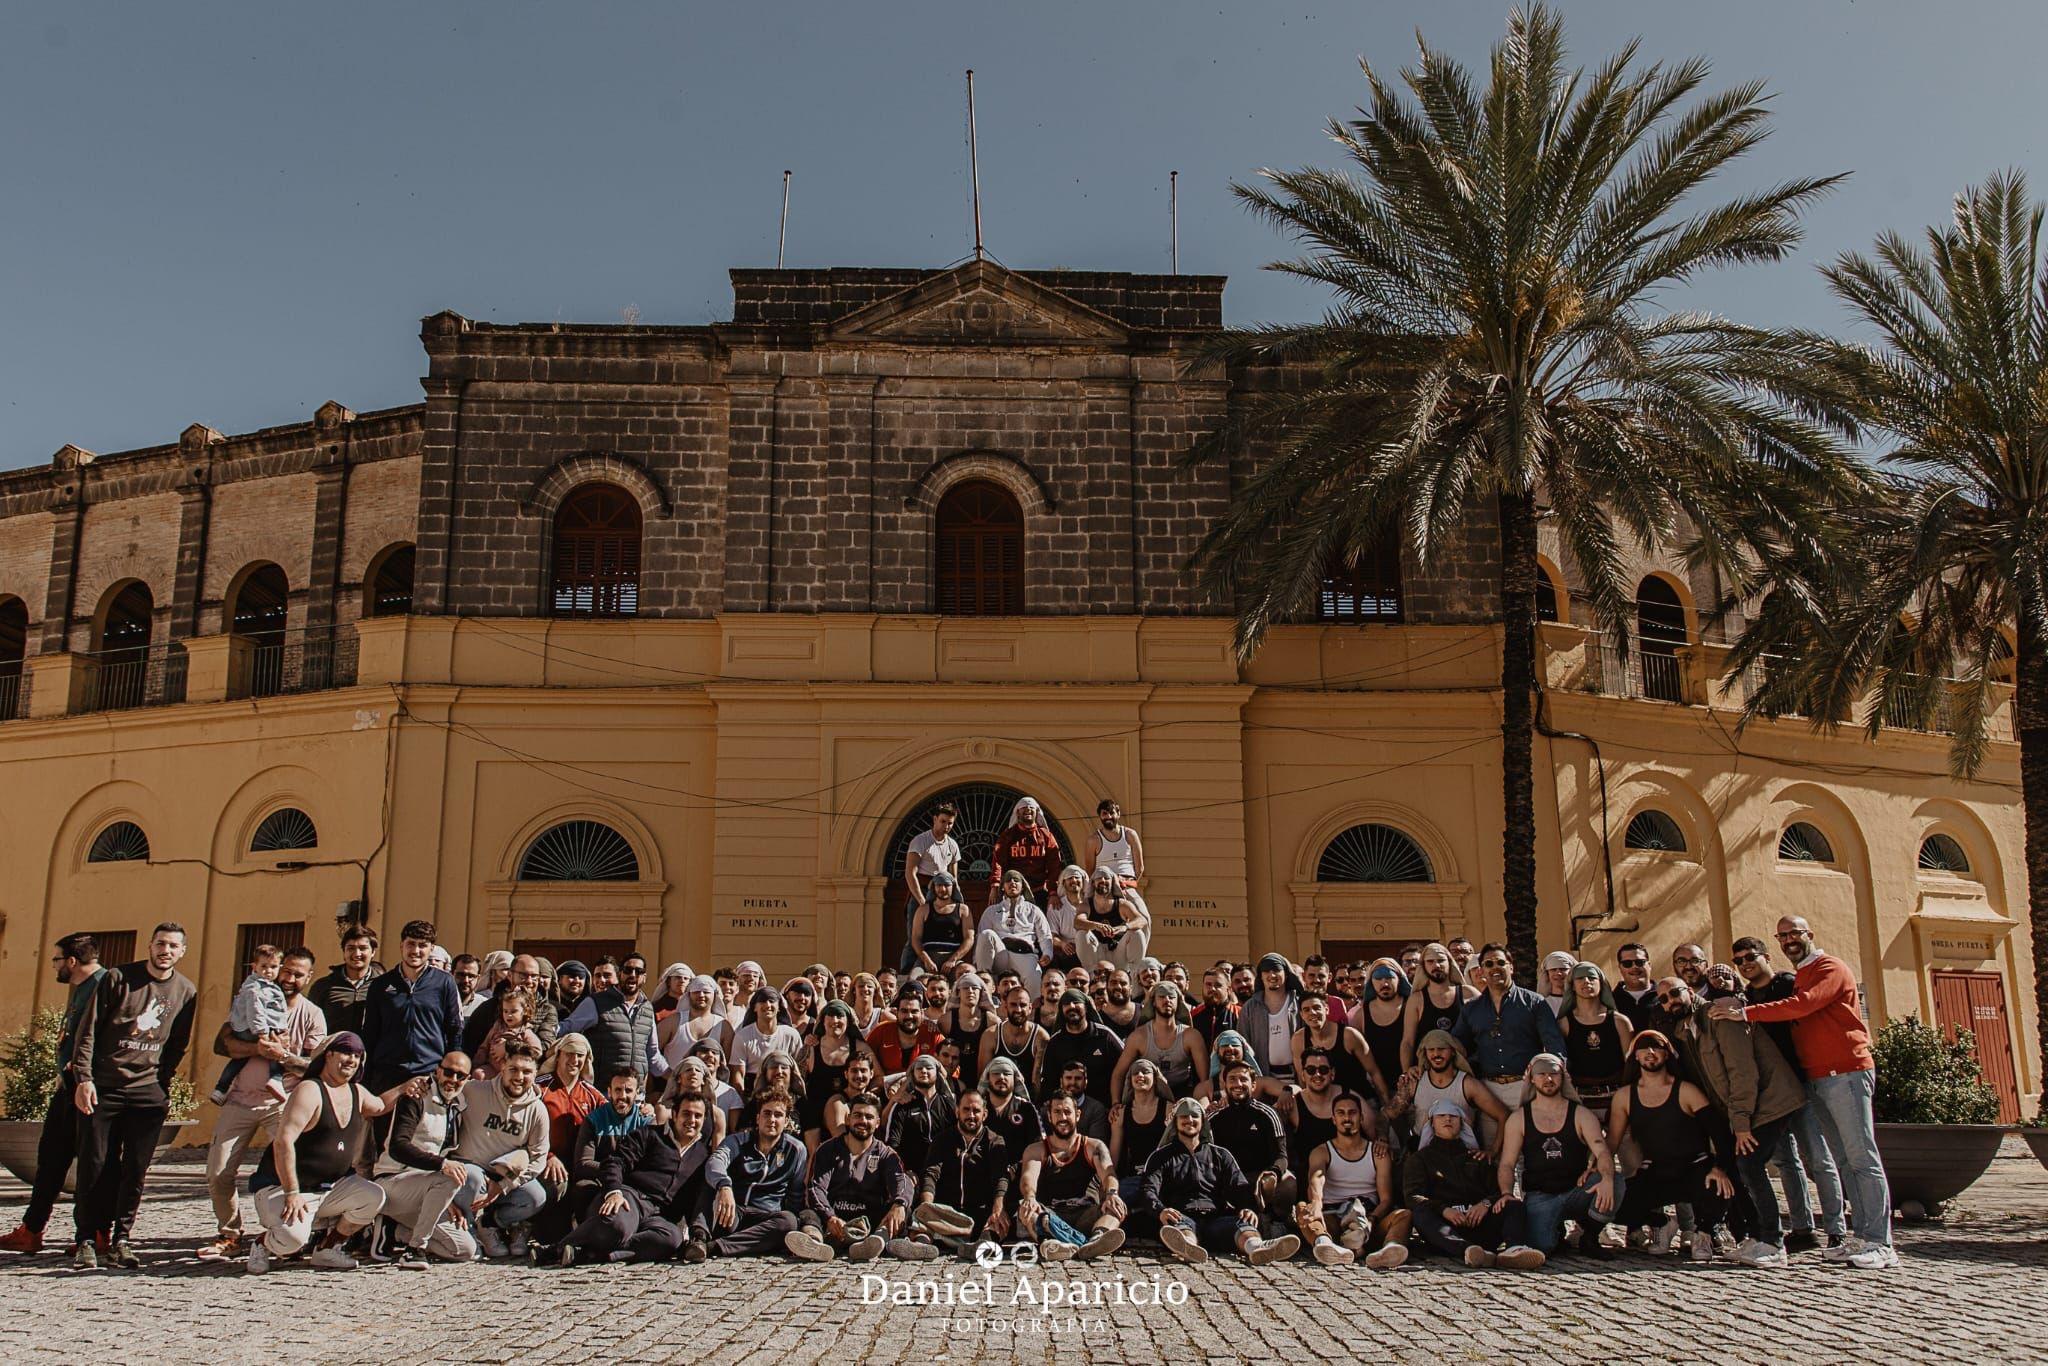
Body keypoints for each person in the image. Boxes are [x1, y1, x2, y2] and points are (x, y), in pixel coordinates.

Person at [1710, 915, 1894, 1268]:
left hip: (1846, 1071)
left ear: (1809, 934)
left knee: (1861, 1158)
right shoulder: (1803, 973)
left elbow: (1804, 1004)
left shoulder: (1829, 967)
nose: (1789, 940)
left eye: (1794, 933)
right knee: (1842, 1160)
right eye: (1782, 936)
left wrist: (1745, 1013)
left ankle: (1880, 1240)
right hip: (1816, 1077)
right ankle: (1860, 1238)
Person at [66, 923, 198, 1270]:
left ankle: (122, 1238)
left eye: (172, 945)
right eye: (160, 944)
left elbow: (177, 1043)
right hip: (104, 1087)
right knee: (93, 1164)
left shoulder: (186, 991)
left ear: (182, 951)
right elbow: (88, 1030)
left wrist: (162, 1085)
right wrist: (84, 1079)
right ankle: (86, 1238)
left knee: (136, 1169)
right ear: (150, 946)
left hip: (147, 1092)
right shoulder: (117, 978)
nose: (165, 950)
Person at [1658, 975, 1808, 1267]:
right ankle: (1755, 1235)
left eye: (1675, 993)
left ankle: (1773, 1241)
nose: (1670, 1001)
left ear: (1689, 991)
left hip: (1769, 1102)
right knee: (1740, 1167)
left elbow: (1743, 1073)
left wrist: (1740, 1123)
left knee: (1750, 1164)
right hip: (1743, 1109)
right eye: (1663, 999)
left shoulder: (1719, 1016)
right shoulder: (1684, 1031)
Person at [197, 945, 327, 1262]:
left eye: (298, 973)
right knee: (218, 1172)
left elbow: (316, 1065)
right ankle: (229, 1234)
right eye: (286, 970)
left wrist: (281, 1056)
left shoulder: (312, 1014)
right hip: (240, 1100)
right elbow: (222, 1043)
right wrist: (258, 1048)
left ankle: (289, 1234)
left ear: (308, 977)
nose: (289, 978)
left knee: (295, 1171)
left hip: (284, 1103)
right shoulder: (252, 996)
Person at [245, 1033, 414, 1272]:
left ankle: (328, 1248)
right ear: (328, 1055)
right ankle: (262, 1244)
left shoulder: (356, 1092)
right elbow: (283, 1141)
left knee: (373, 1196)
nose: (352, 1060)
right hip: (283, 1189)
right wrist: (292, 1192)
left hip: (330, 1188)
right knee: (292, 1241)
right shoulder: (310, 1090)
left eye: (357, 1055)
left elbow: (379, 1105)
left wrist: (405, 1088)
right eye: (346, 1052)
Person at [1733, 934, 1846, 1252]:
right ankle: (1803, 1227)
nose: (1745, 963)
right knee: (1786, 1161)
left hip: (1801, 1083)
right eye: (1739, 960)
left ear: (1766, 956)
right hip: (1771, 1094)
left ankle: (1836, 1228)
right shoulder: (1745, 997)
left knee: (1818, 1158)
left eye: (1750, 956)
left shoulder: (1788, 984)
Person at [0, 933, 106, 1256]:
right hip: (68, 1086)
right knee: (50, 1158)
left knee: (93, 1163)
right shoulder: (81, 989)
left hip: (90, 1089)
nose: (55, 967)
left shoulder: (105, 986)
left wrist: (86, 1076)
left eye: (57, 960)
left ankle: (95, 1233)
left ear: (72, 962)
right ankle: (32, 1229)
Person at [1608, 1030, 1735, 1263]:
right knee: (1611, 1204)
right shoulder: (1625, 1096)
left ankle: (1703, 1233)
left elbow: (1719, 1132)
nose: (1650, 1053)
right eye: (1644, 1048)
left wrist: (1720, 1168)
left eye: (1656, 1047)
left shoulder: (1686, 1090)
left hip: (1695, 1168)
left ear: (1667, 1055)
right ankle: (1663, 1224)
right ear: (1635, 1056)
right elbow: (1612, 1142)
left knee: (1720, 1186)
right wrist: (1600, 1173)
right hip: (1657, 1170)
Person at [358, 919, 464, 1174]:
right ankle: (383, 1197)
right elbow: (370, 1035)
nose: (416, 951)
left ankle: (416, 1196)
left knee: (422, 1139)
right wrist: (367, 1081)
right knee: (385, 1143)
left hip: (427, 1075)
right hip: (388, 1076)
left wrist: (449, 1070)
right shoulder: (381, 985)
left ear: (431, 949)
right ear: (402, 946)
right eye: (411, 945)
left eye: (423, 946)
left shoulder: (444, 983)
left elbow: (454, 1029)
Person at [1141, 1097, 1299, 1265]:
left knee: (1243, 1225)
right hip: (1181, 1216)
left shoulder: (1221, 1155)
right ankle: (1187, 1248)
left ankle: (1258, 1248)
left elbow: (1239, 1187)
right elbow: (1147, 1189)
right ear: (1175, 1122)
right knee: (1180, 1229)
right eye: (1184, 1117)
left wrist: (1247, 1208)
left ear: (1203, 1121)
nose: (1190, 1120)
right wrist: (1160, 1211)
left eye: (1194, 1116)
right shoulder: (1160, 1157)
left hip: (1216, 1219)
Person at [1494, 1054, 1619, 1258]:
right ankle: (1556, 1231)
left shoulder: (1580, 1114)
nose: (1548, 1079)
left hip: (1576, 1190)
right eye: (1541, 1074)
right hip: (1540, 1195)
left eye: (1553, 1074)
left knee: (1616, 1182)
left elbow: (1602, 1151)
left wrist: (1607, 1177)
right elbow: (1507, 1163)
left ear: (1563, 1077)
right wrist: (1507, 1193)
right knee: (1541, 1246)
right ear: (1531, 1079)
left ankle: (1590, 1235)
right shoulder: (1518, 1119)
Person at [785, 1091, 932, 1262]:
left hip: (870, 1220)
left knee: (900, 1208)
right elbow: (816, 1188)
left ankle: (875, 1243)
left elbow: (901, 1182)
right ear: (848, 1119)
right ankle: (814, 1243)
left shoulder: (885, 1154)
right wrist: (830, 1216)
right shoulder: (827, 1150)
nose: (863, 1121)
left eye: (869, 1117)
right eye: (857, 1115)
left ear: (877, 1123)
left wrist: (899, 1204)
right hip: (833, 1221)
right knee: (808, 1214)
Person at [443, 1039, 551, 1259]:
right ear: (502, 1067)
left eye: (527, 1071)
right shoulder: (474, 1090)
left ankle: (491, 1224)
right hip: (471, 1170)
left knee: (536, 1196)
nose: (519, 1077)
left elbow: (539, 1158)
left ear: (535, 1073)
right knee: (470, 1177)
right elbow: (443, 1090)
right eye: (513, 1069)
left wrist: (503, 1185)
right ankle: (468, 1228)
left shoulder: (537, 1110)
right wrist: (419, 1084)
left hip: (503, 1176)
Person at [1453, 944, 1567, 1146]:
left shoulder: (1535, 1003)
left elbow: (1554, 1045)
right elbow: (1457, 1046)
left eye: (1500, 962)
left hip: (1527, 1089)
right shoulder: (1471, 1009)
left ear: (1511, 967)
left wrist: (1552, 1078)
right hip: (1488, 1091)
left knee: (1532, 1149)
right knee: (1493, 1153)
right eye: (1489, 964)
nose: (1495, 967)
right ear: (1481, 971)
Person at [1403, 1101, 1540, 1268]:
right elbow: (1413, 1196)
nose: (1448, 1119)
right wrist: (1444, 1210)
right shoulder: (1419, 1159)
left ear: (1461, 1123)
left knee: (1512, 1203)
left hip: (1480, 1224)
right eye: (1442, 1116)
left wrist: (1485, 1204)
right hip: (1447, 1229)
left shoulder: (1477, 1158)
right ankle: (1469, 1251)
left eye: (1453, 1116)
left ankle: (1513, 1249)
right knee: (1420, 1214)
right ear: (1432, 1123)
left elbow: (1498, 1191)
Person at [374, 1049, 477, 1266]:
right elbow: (398, 1147)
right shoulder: (417, 1096)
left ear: (468, 1079)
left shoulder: (458, 1105)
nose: (453, 1080)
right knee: (450, 1175)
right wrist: (442, 1165)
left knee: (464, 1249)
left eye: (461, 1076)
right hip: (393, 1180)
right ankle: (415, 1249)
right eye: (449, 1073)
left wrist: (445, 1201)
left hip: (425, 1188)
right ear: (438, 1071)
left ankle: (398, 1231)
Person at [1294, 1090, 1408, 1269]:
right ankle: (1326, 1245)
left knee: (1404, 1215)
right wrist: (1316, 1202)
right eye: (1341, 1113)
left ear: (1362, 1117)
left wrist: (1371, 1220)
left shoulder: (1377, 1153)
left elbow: (1386, 1199)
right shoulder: (1321, 1151)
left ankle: (1389, 1250)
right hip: (1333, 1217)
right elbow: (1316, 1177)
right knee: (1303, 1208)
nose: (1347, 1117)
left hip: (1367, 1217)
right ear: (1333, 1119)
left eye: (1352, 1112)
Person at [1015, 1093, 1127, 1261]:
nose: (1063, 1117)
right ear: (1049, 1116)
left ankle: (1096, 1241)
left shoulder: (1093, 1146)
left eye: (1067, 1112)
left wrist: (1112, 1194)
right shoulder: (1036, 1149)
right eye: (1057, 1112)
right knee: (1027, 1210)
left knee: (1117, 1207)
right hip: (1051, 1217)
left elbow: (1109, 1174)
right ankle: (1058, 1245)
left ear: (1078, 1115)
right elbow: (1028, 1178)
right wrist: (1030, 1197)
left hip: (1086, 1215)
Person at [703, 1088, 807, 1257]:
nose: (772, 1119)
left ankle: (715, 1247)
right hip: (733, 1213)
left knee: (788, 1221)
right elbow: (715, 1162)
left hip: (766, 1218)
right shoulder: (738, 1140)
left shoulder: (796, 1150)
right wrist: (724, 1186)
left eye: (778, 1115)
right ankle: (703, 1239)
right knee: (708, 1185)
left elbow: (796, 1192)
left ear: (786, 1121)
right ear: (758, 1118)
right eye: (766, 1113)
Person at [913, 1088, 1012, 1254]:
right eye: (966, 1109)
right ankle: (922, 1246)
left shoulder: (994, 1141)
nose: (971, 1115)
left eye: (976, 1111)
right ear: (957, 1111)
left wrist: (998, 1209)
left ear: (985, 1114)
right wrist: (927, 1206)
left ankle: (981, 1247)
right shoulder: (942, 1139)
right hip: (948, 1213)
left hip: (980, 1213)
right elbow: (931, 1174)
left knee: (998, 1219)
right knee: (922, 1214)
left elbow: (1000, 1178)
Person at [1384, 1030, 1507, 1150]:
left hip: (1460, 1152)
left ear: (1453, 1052)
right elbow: (1386, 1115)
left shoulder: (1467, 1084)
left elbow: (1503, 1114)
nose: (1436, 1054)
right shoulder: (1414, 1083)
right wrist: (1382, 1139)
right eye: (1431, 1049)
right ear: (1425, 1053)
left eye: (1442, 1049)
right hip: (1422, 1153)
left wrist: (1493, 1151)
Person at [560, 951, 668, 1087]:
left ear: (644, 977)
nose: (633, 975)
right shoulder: (596, 1002)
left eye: (638, 971)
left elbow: (652, 1055)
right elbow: (565, 1028)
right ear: (620, 974)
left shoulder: (647, 1008)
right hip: (603, 1092)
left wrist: (676, 1076)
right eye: (628, 970)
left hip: (635, 1094)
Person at [1206, 1060, 1293, 1223]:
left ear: (1253, 1085)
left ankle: (1277, 1221)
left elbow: (1282, 1156)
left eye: (1243, 1079)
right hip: (1229, 1180)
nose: (1238, 1084)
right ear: (1224, 1085)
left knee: (1288, 1183)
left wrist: (1273, 1173)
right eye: (1232, 1079)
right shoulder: (1214, 1118)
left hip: (1260, 1177)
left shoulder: (1268, 1114)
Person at [207, 943, 288, 1106]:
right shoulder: (255, 988)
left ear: (279, 967)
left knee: (239, 1060)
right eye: (264, 966)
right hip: (251, 1029)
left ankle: (221, 1088)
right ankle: (276, 1079)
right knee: (274, 1050)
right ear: (254, 966)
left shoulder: (264, 985)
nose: (268, 971)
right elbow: (256, 1012)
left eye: (273, 967)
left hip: (246, 1028)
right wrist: (263, 1033)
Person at [1111, 983, 1209, 1099]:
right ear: (1153, 1002)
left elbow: (1205, 1080)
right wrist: (1116, 1103)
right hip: (1148, 1094)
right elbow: (1119, 1074)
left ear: (1178, 1002)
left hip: (1182, 1094)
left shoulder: (1191, 1036)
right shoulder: (1139, 1037)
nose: (1167, 1000)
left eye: (1171, 997)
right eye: (1162, 997)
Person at [1289, 990, 1383, 1105]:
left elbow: (1374, 1072)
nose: (1312, 1012)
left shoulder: (1349, 1035)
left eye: (1317, 1007)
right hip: (1327, 1105)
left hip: (1360, 1100)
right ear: (1302, 1015)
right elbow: (1303, 1080)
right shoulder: (1298, 1040)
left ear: (1326, 1009)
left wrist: (1387, 1104)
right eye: (1306, 1010)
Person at [1559, 961, 1633, 1106]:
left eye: (1592, 978)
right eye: (1580, 978)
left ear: (1601, 983)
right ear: (1572, 986)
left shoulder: (1620, 1021)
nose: (1586, 981)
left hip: (1617, 1095)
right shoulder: (1564, 1023)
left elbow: (1630, 1064)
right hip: (1578, 1096)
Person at [462, 955, 560, 1060]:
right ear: (510, 975)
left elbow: (545, 1047)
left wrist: (508, 1047)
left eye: (534, 976)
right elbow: (471, 1043)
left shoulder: (547, 1010)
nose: (529, 981)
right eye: (523, 975)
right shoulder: (490, 1006)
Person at [975, 868, 1055, 994]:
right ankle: (984, 982)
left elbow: (1045, 935)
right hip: (1001, 954)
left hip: (1025, 954)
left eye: (1016, 880)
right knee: (986, 934)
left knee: (1034, 975)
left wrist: (1047, 953)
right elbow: (982, 939)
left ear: (1022, 886)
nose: (1012, 882)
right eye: (1008, 880)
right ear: (1002, 887)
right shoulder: (991, 911)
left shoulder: (1034, 910)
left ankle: (1032, 1011)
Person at [1037, 989, 1124, 1103]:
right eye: (1066, 1004)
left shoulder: (1105, 1036)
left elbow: (1125, 1066)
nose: (1072, 1006)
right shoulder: (1055, 1042)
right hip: (1067, 1110)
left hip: (1103, 1108)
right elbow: (1048, 1082)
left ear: (1086, 1007)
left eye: (1076, 1002)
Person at [1400, 942, 1477, 1071]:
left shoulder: (1469, 993)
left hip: (1467, 1072)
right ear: (1423, 967)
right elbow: (1408, 1042)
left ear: (1449, 963)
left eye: (1441, 960)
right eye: (1430, 961)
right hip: (1430, 1074)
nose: (1436, 965)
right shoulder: (1416, 1000)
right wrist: (1406, 1072)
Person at [882, 1053, 955, 1181]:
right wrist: (904, 1171)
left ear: (937, 1073)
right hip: (912, 1174)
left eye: (929, 1068)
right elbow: (892, 1144)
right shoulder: (902, 1106)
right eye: (919, 1068)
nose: (924, 1071)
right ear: (913, 1074)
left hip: (945, 1172)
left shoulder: (949, 1104)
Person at [1109, 1058, 1172, 1203]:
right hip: (1134, 1177)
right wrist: (1109, 1184)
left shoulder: (1169, 1108)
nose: (1140, 1075)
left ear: (1155, 1079)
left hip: (1163, 1177)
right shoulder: (1121, 1113)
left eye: (1145, 1072)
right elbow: (1114, 1155)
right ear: (1130, 1080)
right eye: (1135, 1073)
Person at [988, 796, 1064, 908]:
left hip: (1040, 892)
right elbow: (998, 861)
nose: (1028, 809)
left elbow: (1054, 865)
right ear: (1017, 813)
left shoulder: (1046, 836)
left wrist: (1053, 891)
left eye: (1031, 807)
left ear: (1037, 813)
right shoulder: (1008, 835)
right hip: (1014, 892)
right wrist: (995, 887)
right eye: (1023, 807)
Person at [1240, 954, 1303, 1084]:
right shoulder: (1250, 1008)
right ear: (1261, 977)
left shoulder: (1299, 1003)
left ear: (1286, 973)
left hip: (1297, 1077)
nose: (1272, 975)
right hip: (1262, 1079)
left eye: (1276, 970)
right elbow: (1243, 1045)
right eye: (1267, 971)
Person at [1073, 866, 1151, 970]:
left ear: (1113, 882)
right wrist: (1097, 926)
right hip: (1097, 953)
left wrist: (1124, 927)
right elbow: (1078, 922)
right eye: (1099, 878)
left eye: (1106, 878)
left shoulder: (1122, 904)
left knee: (1137, 933)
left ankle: (1133, 973)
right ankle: (1091, 973)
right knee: (1081, 934)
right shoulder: (1086, 904)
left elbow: (1142, 920)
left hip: (1118, 953)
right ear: (1093, 883)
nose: (1103, 880)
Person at [308, 923, 378, 1037]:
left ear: (373, 952)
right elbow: (310, 1024)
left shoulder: (383, 986)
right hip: (332, 1052)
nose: (357, 954)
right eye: (351, 948)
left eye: (363, 948)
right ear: (344, 952)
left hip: (371, 1053)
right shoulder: (323, 986)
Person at [1354, 961, 1409, 1093]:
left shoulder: (1412, 1007)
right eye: (1378, 978)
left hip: (1410, 1084)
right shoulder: (1361, 1014)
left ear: (1399, 979)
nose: (1384, 984)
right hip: (1376, 1088)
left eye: (1389, 978)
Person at [730, 989, 805, 1086]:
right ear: (754, 1007)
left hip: (785, 1090)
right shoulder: (743, 1036)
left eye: (772, 1001)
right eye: (762, 1001)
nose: (768, 1005)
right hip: (753, 1092)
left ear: (779, 1007)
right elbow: (738, 1075)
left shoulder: (791, 1035)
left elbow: (800, 1069)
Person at [663, 974, 736, 1071]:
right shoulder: (673, 1021)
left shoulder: (724, 1027)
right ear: (689, 994)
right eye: (696, 991)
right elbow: (653, 1051)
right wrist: (668, 1074)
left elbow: (727, 1064)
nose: (701, 995)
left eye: (706, 992)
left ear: (714, 995)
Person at [909, 872, 975, 978]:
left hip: (953, 958)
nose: (942, 889)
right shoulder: (923, 910)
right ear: (934, 887)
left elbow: (969, 938)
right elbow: (916, 938)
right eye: (939, 885)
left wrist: (952, 960)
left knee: (968, 976)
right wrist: (926, 960)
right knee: (913, 979)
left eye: (946, 885)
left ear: (953, 887)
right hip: (927, 957)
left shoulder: (963, 909)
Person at [979, 1057, 1043, 1160]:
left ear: (1015, 1079)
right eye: (996, 1073)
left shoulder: (1026, 1108)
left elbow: (1037, 1146)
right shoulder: (977, 1109)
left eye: (1007, 1073)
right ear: (987, 1078)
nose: (1001, 1077)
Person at [1083, 797, 1144, 887]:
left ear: (1118, 814)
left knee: (1139, 902)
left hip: (1127, 884)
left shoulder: (1130, 835)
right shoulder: (1093, 840)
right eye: (1104, 813)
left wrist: (1129, 883)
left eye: (1112, 813)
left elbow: (1140, 868)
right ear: (1100, 816)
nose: (1108, 817)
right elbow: (1090, 870)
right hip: (1104, 886)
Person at [1044, 865, 1091, 970]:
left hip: (1090, 948)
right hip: (1068, 952)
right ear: (1063, 883)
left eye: (1077, 877)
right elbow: (1051, 935)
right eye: (1069, 878)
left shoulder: (1092, 903)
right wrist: (1062, 944)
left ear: (1083, 881)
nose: (1074, 880)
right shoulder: (1056, 907)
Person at [1612, 942, 1661, 1030]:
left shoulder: (1664, 996)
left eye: (1639, 962)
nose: (1634, 967)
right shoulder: (1611, 1001)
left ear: (1649, 965)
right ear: (1620, 967)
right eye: (1627, 963)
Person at [1190, 967, 1241, 1047]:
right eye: (1208, 985)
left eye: (1218, 985)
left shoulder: (1240, 1014)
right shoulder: (1192, 1015)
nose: (1212, 989)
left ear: (1228, 990)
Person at [1540, 950, 1577, 1015]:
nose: (1558, 973)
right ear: (1547, 974)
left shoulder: (1580, 1002)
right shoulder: (1541, 1004)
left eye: (1563, 969)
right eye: (1553, 969)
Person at [451, 955, 486, 1020]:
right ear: (451, 974)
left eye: (471, 976)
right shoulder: (439, 1003)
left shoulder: (484, 1006)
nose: (466, 980)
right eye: (461, 975)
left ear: (478, 978)